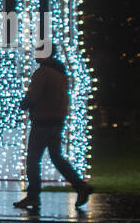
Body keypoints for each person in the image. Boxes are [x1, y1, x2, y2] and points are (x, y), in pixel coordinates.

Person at [14, 51, 91, 210]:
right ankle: (80, 186)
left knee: (33, 160)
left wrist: (24, 104)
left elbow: (33, 95)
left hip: (42, 121)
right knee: (56, 157)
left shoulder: (42, 73)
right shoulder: (60, 72)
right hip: (57, 120)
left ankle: (33, 196)